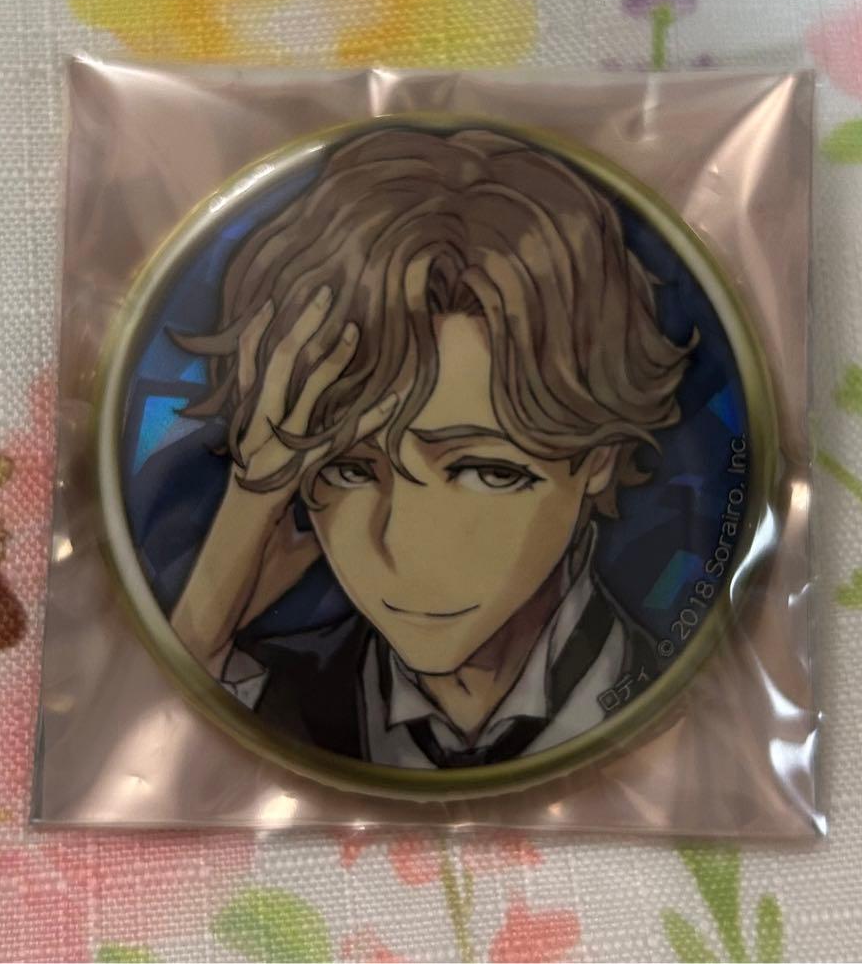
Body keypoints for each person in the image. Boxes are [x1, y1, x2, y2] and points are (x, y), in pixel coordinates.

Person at [169, 127, 695, 768]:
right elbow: (143, 747)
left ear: (598, 458)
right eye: (349, 468)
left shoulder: (694, 704)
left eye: (486, 472)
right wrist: (219, 582)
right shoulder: (256, 688)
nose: (405, 544)